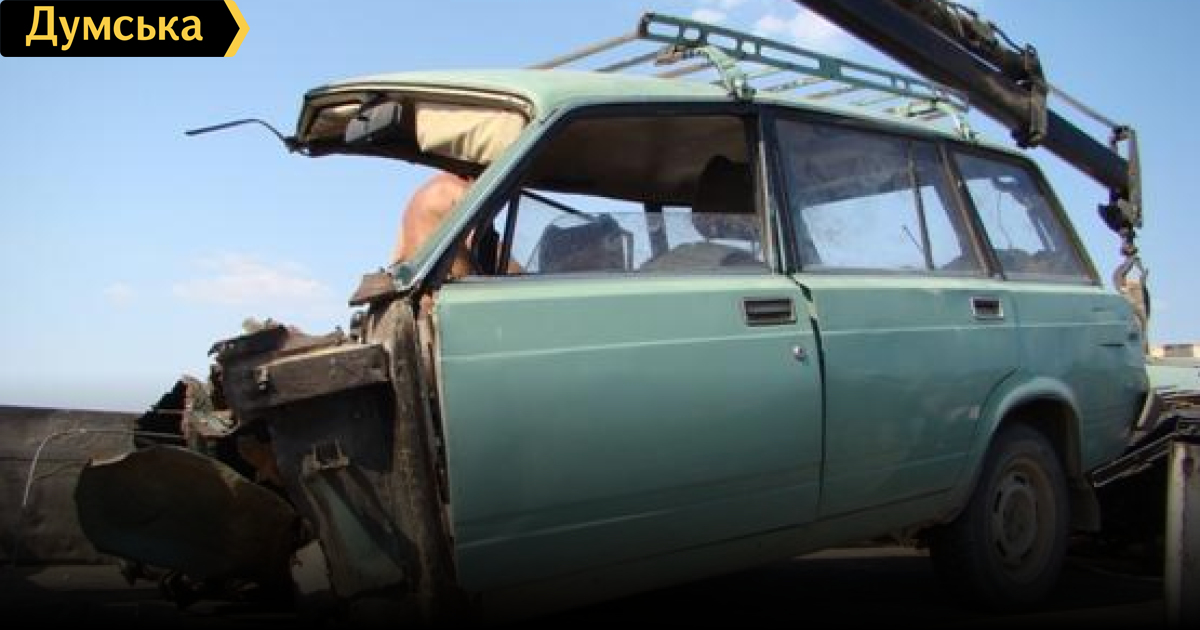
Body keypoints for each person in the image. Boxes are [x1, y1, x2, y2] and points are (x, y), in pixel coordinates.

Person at [391, 171, 475, 278]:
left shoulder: (423, 192)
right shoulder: (462, 189)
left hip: (409, 280)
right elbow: (478, 245)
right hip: (446, 282)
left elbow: (396, 257)